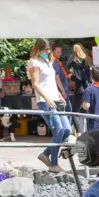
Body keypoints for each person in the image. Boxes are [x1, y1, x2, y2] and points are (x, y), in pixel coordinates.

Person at [27, 39, 71, 173]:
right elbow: (36, 84)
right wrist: (47, 98)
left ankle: (45, 154)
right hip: (45, 101)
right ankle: (53, 164)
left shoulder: (48, 62)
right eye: (45, 49)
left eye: (48, 49)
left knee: (67, 130)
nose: (48, 51)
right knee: (58, 130)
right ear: (39, 49)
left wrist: (59, 94)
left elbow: (51, 81)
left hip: (55, 99)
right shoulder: (34, 63)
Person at [68, 44, 92, 134]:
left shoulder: (75, 62)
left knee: (75, 113)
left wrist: (71, 76)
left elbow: (77, 77)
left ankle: (79, 133)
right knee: (86, 110)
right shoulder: (87, 60)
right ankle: (90, 131)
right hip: (88, 87)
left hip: (79, 89)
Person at [51, 43, 71, 122]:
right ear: (52, 52)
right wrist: (62, 91)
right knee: (66, 110)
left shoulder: (57, 62)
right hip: (60, 90)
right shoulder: (54, 63)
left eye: (60, 52)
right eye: (57, 52)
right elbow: (57, 77)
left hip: (63, 89)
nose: (60, 54)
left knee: (66, 110)